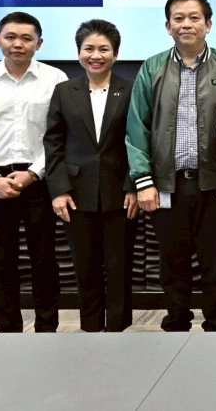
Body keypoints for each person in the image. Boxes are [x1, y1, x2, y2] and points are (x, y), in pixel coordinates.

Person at [126, 0, 216, 332]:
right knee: (172, 261)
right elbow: (137, 126)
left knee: (215, 260)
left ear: (208, 24)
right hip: (166, 184)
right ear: (168, 26)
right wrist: (143, 180)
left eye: (194, 18)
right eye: (178, 18)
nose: (186, 24)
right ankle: (176, 323)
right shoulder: (152, 67)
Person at [0, 12, 67, 333]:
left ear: (39, 43)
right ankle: (7, 332)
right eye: (10, 37)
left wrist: (33, 173)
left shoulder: (56, 79)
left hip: (40, 182)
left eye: (26, 38)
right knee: (1, 264)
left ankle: (47, 329)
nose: (18, 44)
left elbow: (61, 135)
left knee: (44, 261)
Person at [44, 20, 137, 332]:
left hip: (121, 192)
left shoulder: (131, 89)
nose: (96, 56)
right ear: (79, 53)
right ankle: (91, 329)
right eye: (89, 49)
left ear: (116, 54)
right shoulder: (64, 91)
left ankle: (119, 329)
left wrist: (134, 185)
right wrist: (58, 189)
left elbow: (140, 140)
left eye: (104, 49)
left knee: (120, 265)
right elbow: (53, 143)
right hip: (76, 193)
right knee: (85, 267)